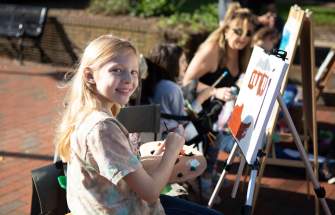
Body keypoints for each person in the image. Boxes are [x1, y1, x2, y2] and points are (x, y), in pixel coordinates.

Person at [54, 34, 223, 215]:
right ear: (90, 76)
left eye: (134, 72)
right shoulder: (102, 128)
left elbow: (118, 169)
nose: (129, 79)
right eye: (117, 70)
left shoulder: (90, 114)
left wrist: (156, 157)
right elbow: (150, 193)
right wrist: (174, 148)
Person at [182, 3, 257, 199]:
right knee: (213, 147)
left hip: (218, 115)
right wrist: (215, 91)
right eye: (238, 31)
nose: (243, 37)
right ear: (226, 29)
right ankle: (202, 186)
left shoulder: (242, 53)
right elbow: (187, 82)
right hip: (197, 112)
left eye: (248, 33)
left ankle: (207, 179)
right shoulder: (213, 49)